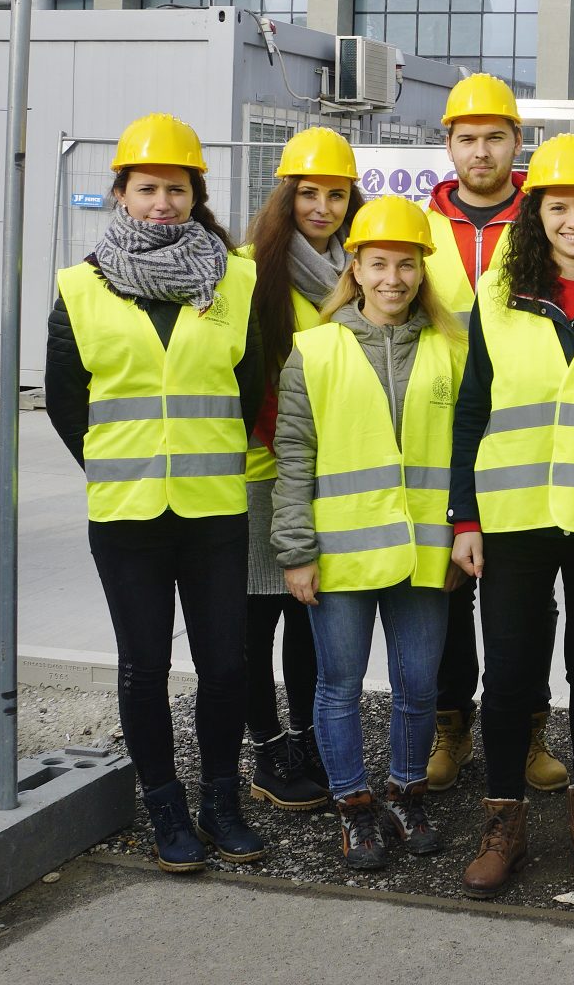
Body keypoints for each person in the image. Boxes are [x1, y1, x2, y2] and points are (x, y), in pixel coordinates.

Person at [45, 112, 266, 874]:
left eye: (177, 189)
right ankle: (166, 807)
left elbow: (249, 385)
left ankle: (221, 803)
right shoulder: (80, 286)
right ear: (121, 193)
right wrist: (116, 462)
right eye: (147, 188)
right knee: (143, 667)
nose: (162, 202)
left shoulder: (234, 278)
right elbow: (66, 402)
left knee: (226, 666)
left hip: (214, 511)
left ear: (196, 195)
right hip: (127, 513)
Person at [448, 134, 574, 896]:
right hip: (513, 513)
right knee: (510, 674)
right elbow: (472, 408)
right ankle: (504, 821)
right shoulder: (498, 293)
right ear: (536, 214)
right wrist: (465, 518)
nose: (573, 220)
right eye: (557, 207)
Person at [272, 195, 467, 871]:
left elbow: (466, 452)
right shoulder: (314, 350)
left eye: (406, 265)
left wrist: (461, 536)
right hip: (340, 554)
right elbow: (293, 458)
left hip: (424, 553)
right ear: (353, 268)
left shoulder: (450, 349)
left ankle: (407, 795)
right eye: (378, 263)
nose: (393, 278)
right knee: (338, 686)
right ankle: (354, 807)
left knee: (420, 687)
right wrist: (296, 552)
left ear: (422, 271)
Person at [421, 73, 565, 800]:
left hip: (520, 434)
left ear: (517, 142)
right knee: (447, 589)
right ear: (448, 144)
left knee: (526, 601)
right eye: (468, 139)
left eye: (495, 138)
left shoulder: (546, 223)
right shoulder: (418, 228)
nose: (481, 152)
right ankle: (451, 724)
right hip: (433, 429)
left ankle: (531, 724)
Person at [238, 126, 364, 813]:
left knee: (307, 615)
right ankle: (266, 749)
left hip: (329, 471)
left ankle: (306, 738)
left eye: (336, 195)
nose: (322, 207)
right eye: (309, 193)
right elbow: (246, 373)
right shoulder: (252, 269)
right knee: (259, 617)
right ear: (285, 196)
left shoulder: (356, 270)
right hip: (264, 470)